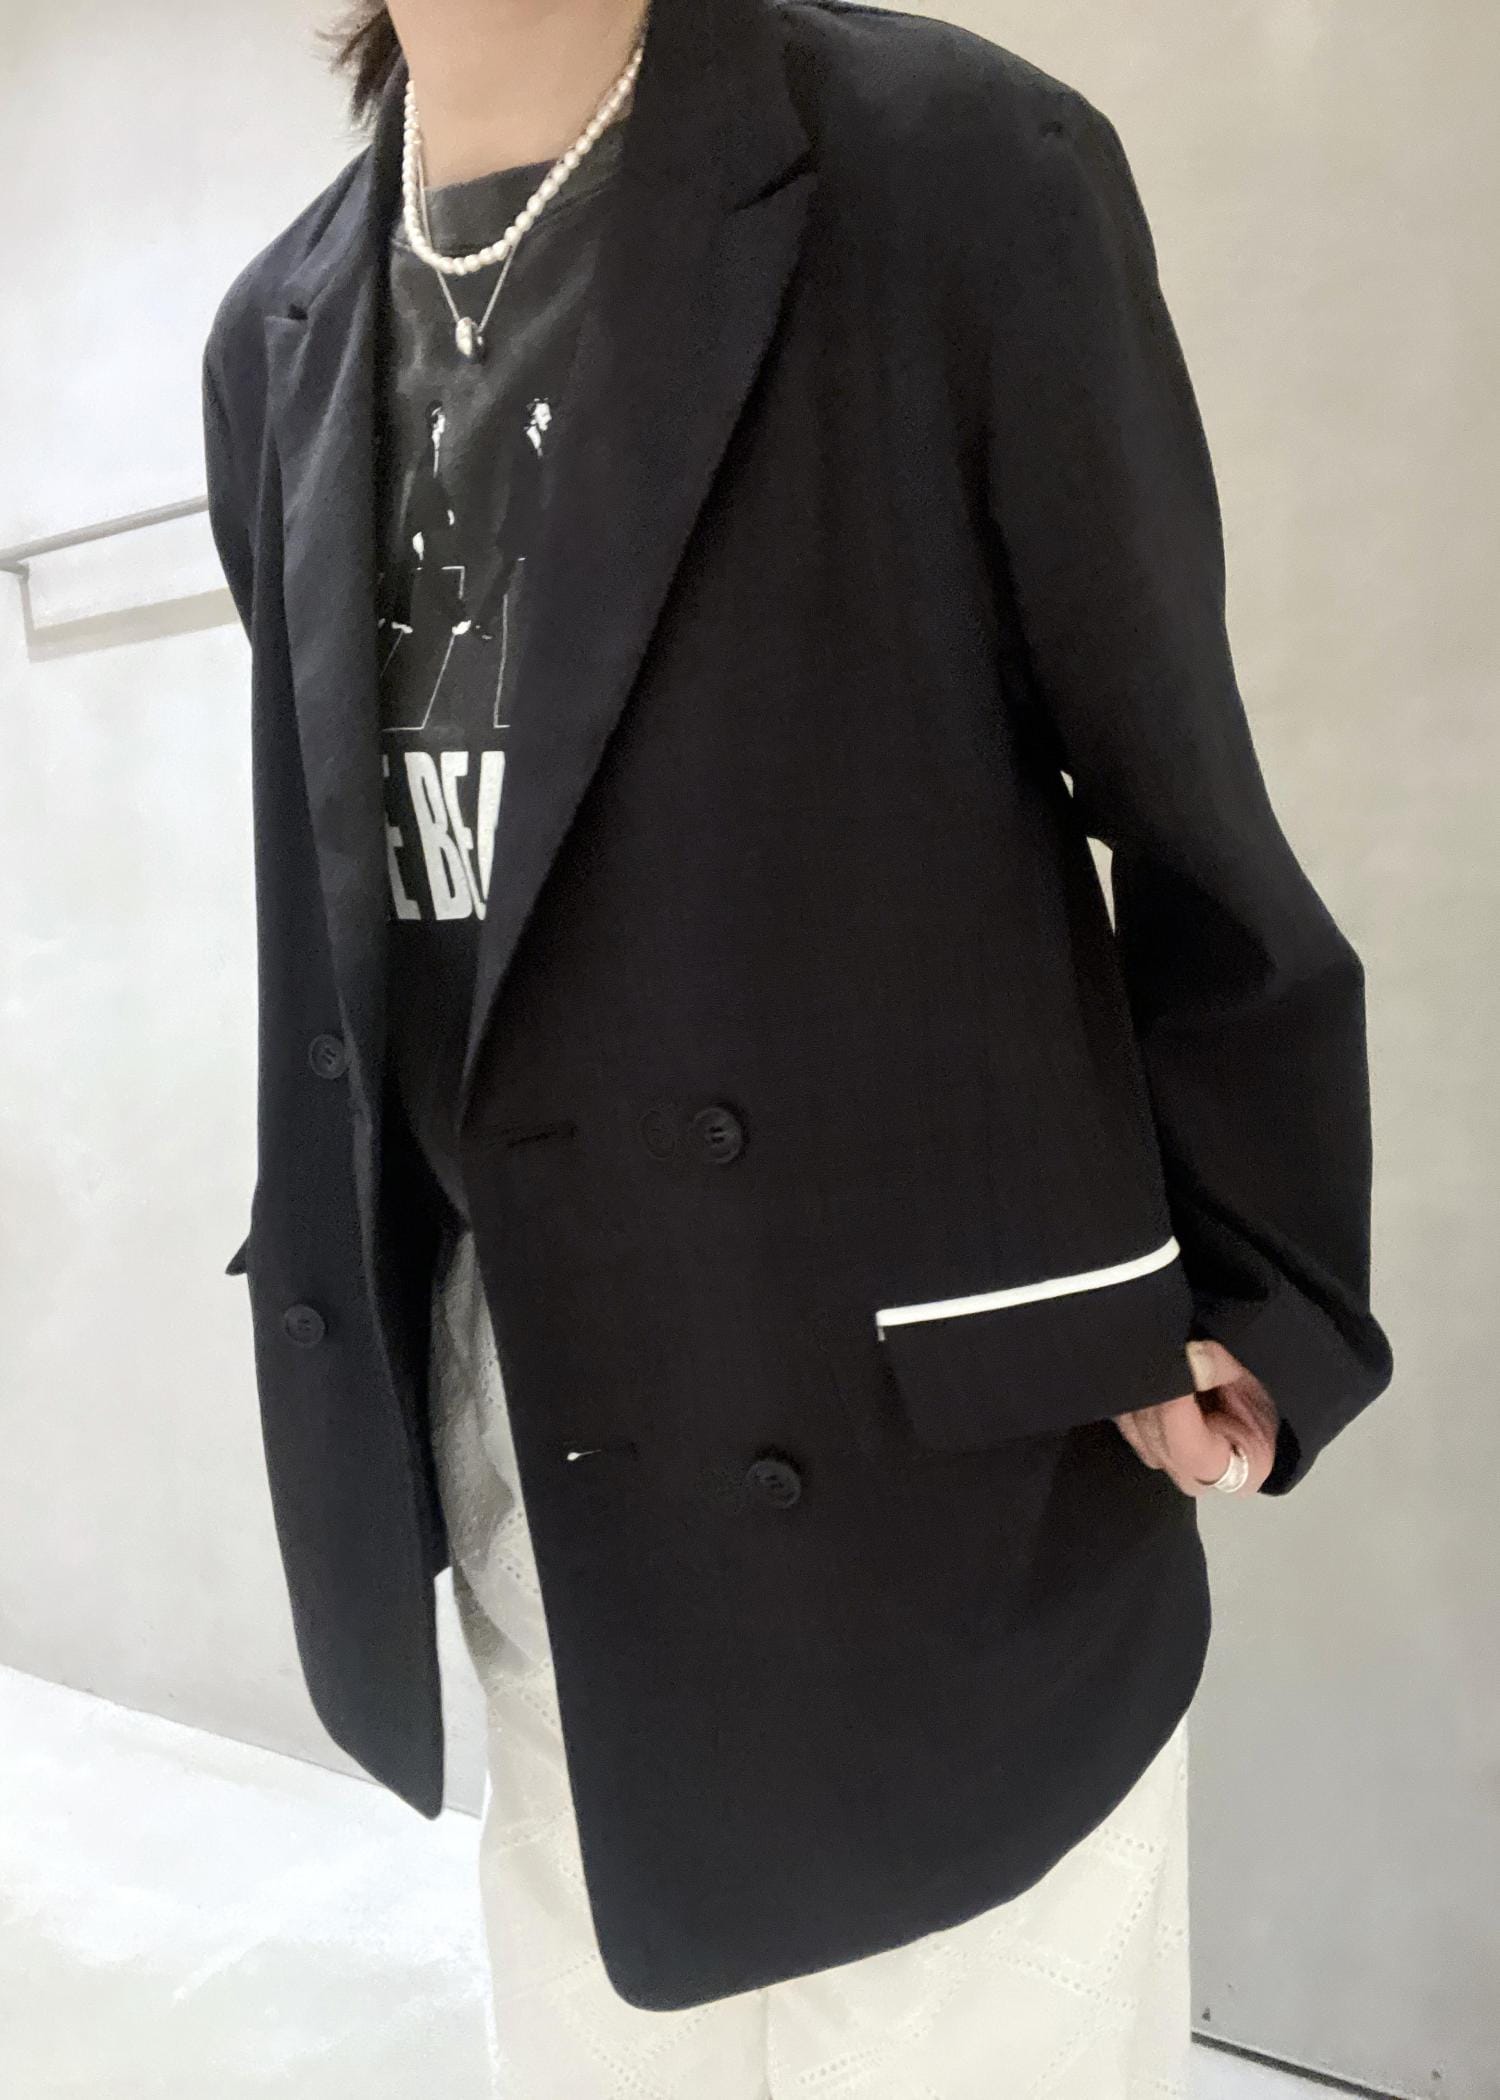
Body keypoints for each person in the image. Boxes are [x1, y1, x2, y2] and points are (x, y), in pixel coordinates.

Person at [201, 0, 1394, 2090]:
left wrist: (1257, 1282)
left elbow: (1184, 800)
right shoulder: (278, 329)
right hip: (534, 1439)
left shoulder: (951, 170)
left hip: (935, 1460)